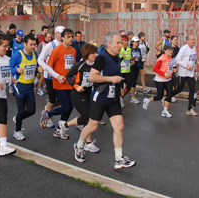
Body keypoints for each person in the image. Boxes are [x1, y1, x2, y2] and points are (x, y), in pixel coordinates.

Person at [73, 31, 135, 169]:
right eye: (118, 43)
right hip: (100, 97)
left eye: (121, 42)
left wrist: (118, 86)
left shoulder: (117, 57)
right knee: (92, 126)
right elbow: (92, 77)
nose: (120, 45)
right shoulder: (101, 58)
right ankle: (79, 146)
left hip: (112, 98)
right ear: (108, 44)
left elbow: (116, 73)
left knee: (119, 126)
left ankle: (119, 159)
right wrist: (111, 79)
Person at [62, 43, 100, 151]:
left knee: (84, 118)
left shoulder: (96, 66)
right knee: (88, 117)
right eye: (93, 53)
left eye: (96, 52)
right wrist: (76, 86)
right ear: (86, 54)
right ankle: (87, 143)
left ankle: (65, 125)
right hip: (78, 95)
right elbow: (68, 76)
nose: (95, 55)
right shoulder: (79, 65)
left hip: (90, 94)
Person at [43, 28, 77, 139]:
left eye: (72, 36)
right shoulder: (57, 50)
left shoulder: (73, 50)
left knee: (70, 106)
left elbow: (73, 66)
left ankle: (58, 129)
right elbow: (48, 66)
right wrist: (57, 76)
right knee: (66, 107)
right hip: (59, 83)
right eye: (68, 36)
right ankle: (48, 114)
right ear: (62, 38)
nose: (71, 39)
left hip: (70, 83)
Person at [10, 34, 40, 140]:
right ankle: (17, 131)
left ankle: (18, 118)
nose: (33, 47)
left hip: (30, 86)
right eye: (31, 44)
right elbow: (8, 67)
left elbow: (34, 68)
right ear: (24, 44)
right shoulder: (18, 55)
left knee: (32, 110)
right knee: (21, 110)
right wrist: (16, 70)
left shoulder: (35, 54)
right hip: (20, 86)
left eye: (34, 45)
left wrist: (38, 70)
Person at [38, 26, 64, 128]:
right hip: (50, 77)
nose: (62, 35)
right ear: (56, 33)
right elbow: (40, 59)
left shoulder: (65, 45)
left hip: (61, 77)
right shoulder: (50, 45)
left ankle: (47, 109)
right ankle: (48, 118)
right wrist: (46, 68)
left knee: (62, 101)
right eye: (61, 33)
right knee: (52, 99)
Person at [143, 44, 175, 117]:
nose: (171, 51)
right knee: (159, 96)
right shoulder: (161, 58)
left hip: (168, 79)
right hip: (160, 80)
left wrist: (172, 70)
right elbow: (155, 69)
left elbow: (168, 67)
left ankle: (165, 110)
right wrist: (164, 74)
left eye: (171, 50)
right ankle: (147, 100)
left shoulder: (170, 57)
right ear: (165, 51)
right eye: (169, 50)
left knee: (170, 94)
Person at [174, 34, 199, 116]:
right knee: (179, 89)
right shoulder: (183, 49)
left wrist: (196, 62)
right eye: (192, 39)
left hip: (191, 73)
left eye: (194, 39)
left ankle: (190, 109)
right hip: (183, 73)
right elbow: (177, 60)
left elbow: (193, 59)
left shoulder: (194, 49)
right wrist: (186, 66)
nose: (194, 41)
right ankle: (168, 97)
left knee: (192, 90)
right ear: (187, 41)